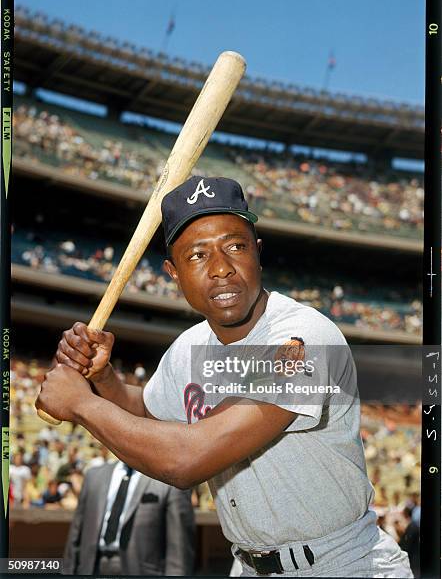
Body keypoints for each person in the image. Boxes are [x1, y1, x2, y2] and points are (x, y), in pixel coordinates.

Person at [38, 176, 413, 577]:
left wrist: (81, 403)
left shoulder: (306, 338)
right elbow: (147, 413)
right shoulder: (189, 347)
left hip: (342, 564)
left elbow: (186, 460)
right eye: (198, 256)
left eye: (236, 246)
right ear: (173, 273)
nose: (221, 269)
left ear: (258, 252)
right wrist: (105, 378)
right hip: (247, 565)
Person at [62, 460, 195, 576]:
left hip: (140, 570)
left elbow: (179, 553)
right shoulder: (94, 476)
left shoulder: (171, 481)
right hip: (91, 567)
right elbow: (76, 534)